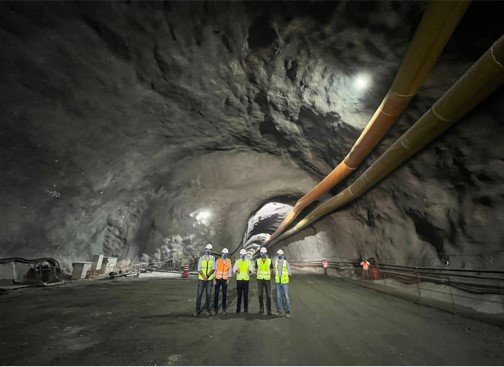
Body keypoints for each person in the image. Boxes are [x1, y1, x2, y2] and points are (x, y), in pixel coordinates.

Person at [194, 244, 215, 317]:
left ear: (211, 250)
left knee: (208, 295)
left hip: (209, 279)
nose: (208, 251)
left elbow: (213, 268)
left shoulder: (213, 258)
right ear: (205, 249)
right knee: (199, 294)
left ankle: (207, 309)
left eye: (210, 249)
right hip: (201, 279)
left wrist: (207, 276)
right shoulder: (201, 258)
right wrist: (204, 276)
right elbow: (199, 269)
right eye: (207, 249)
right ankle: (197, 309)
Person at [233, 249, 253, 314]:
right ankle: (238, 309)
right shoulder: (237, 261)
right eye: (242, 255)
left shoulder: (248, 261)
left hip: (246, 280)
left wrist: (250, 271)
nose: (243, 256)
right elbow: (234, 269)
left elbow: (251, 268)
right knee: (239, 295)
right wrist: (236, 271)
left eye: (244, 255)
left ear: (246, 255)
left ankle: (246, 309)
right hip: (239, 280)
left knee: (245, 295)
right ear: (240, 255)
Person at [213, 248, 232, 315]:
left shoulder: (229, 261)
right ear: (222, 253)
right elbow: (215, 270)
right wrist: (214, 279)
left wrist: (228, 279)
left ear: (227, 254)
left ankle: (223, 309)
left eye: (226, 254)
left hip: (225, 279)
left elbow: (230, 271)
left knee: (224, 294)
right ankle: (215, 309)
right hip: (217, 279)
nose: (224, 255)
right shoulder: (218, 260)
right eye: (223, 253)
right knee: (216, 294)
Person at [274, 249, 292, 318]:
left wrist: (288, 274)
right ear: (277, 255)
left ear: (283, 255)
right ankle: (279, 311)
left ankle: (288, 312)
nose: (280, 255)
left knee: (286, 297)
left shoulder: (285, 262)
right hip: (278, 282)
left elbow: (289, 271)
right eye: (278, 254)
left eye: (281, 254)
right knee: (278, 297)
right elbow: (275, 271)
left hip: (284, 282)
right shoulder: (276, 262)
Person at [256, 247, 273, 316]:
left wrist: (268, 275)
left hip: (267, 280)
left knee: (268, 295)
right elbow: (256, 269)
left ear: (266, 253)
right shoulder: (257, 261)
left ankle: (269, 310)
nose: (263, 254)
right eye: (262, 253)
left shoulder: (269, 261)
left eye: (264, 253)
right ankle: (261, 308)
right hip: (259, 279)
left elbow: (271, 269)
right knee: (260, 295)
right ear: (260, 253)